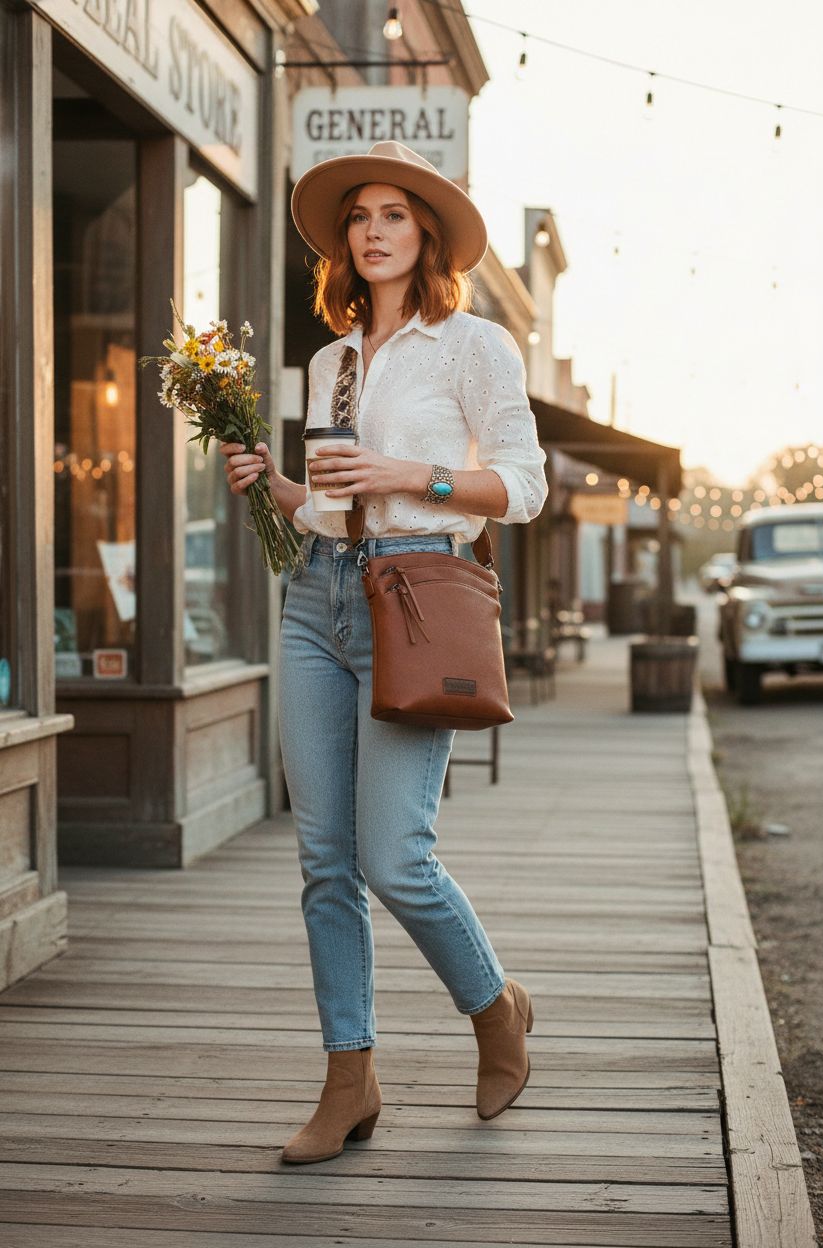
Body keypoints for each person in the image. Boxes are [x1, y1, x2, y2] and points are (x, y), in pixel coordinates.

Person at [221, 142, 548, 1166]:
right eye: (359, 215)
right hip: (317, 597)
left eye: (394, 214)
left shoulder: (474, 346)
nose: (372, 229)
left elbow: (524, 487)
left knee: (392, 854)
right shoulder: (332, 361)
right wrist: (269, 483)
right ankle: (348, 1078)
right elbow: (328, 504)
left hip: (416, 597)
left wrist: (417, 473)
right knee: (323, 863)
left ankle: (495, 1010)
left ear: (427, 236)